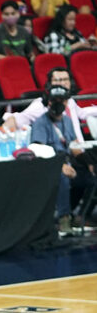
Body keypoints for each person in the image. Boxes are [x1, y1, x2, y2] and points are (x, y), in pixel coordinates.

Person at [30, 84, 96, 235]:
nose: (59, 103)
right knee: (63, 178)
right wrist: (60, 167)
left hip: (66, 161)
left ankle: (80, 216)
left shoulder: (67, 121)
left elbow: (72, 145)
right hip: (49, 165)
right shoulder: (41, 123)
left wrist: (88, 162)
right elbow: (39, 149)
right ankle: (63, 219)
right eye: (55, 100)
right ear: (48, 102)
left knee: (91, 177)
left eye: (63, 100)